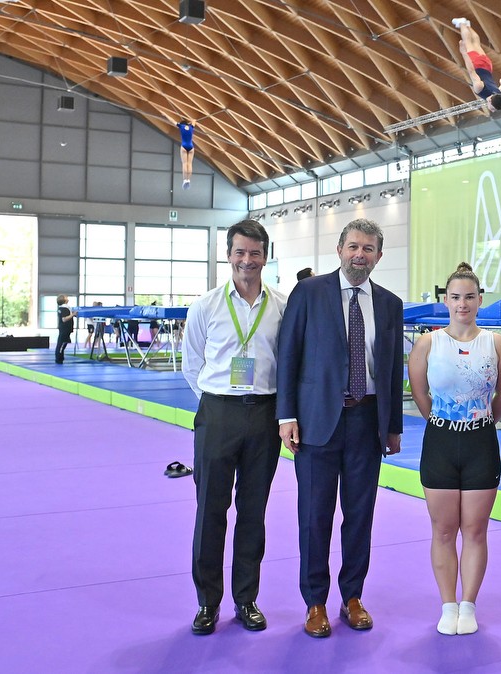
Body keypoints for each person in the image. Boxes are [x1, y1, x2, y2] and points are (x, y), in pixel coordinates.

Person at [276, 218, 405, 639]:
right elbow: (289, 355)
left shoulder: (390, 304)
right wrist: (286, 415)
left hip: (368, 422)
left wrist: (393, 426)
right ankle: (315, 601)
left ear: (379, 256)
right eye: (353, 246)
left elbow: (391, 370)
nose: (359, 255)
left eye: (368, 248)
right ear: (339, 250)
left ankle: (352, 597)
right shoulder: (308, 293)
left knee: (360, 516)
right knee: (314, 517)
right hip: (316, 423)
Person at [181, 220, 286, 636]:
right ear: (228, 255)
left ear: (265, 257)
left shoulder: (282, 306)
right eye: (240, 252)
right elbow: (192, 364)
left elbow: (288, 362)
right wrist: (217, 401)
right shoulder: (205, 306)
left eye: (255, 253)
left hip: (264, 413)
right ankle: (207, 602)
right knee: (210, 510)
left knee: (253, 512)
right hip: (218, 413)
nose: (247, 260)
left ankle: (246, 598)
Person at [407, 262, 501, 636]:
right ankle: (447, 604)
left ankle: (468, 604)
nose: (462, 304)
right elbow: (420, 394)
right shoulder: (428, 343)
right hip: (439, 441)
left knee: (475, 530)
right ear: (446, 301)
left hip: (480, 442)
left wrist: (478, 423)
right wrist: (444, 422)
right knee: (442, 531)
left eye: (469, 297)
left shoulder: (497, 344)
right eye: (455, 297)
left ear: (480, 300)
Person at [452, 18, 501, 113]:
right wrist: (464, 53)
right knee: (468, 42)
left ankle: (468, 26)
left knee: (476, 44)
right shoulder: (479, 88)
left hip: (488, 66)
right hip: (477, 64)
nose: (492, 111)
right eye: (493, 108)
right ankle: (462, 23)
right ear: (490, 101)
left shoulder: (498, 95)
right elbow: (471, 71)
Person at [54, 295, 75, 364]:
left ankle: (60, 357)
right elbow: (64, 319)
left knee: (64, 342)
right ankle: (59, 358)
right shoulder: (64, 308)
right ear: (64, 300)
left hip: (65, 329)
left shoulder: (64, 308)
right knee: (62, 343)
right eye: (66, 297)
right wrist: (72, 314)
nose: (67, 298)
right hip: (65, 328)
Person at [178, 120, 195, 190]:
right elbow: (194, 120)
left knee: (184, 164)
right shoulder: (191, 127)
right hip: (191, 146)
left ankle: (185, 180)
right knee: (190, 164)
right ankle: (188, 180)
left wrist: (165, 115)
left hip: (184, 146)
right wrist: (189, 123)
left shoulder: (181, 126)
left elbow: (172, 120)